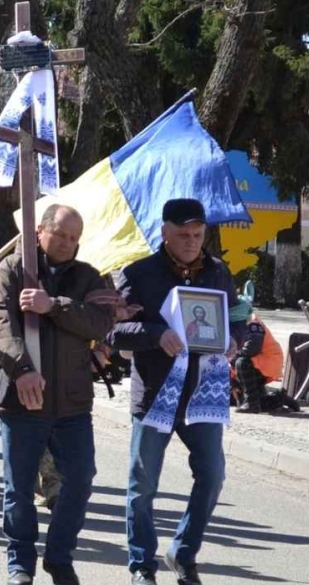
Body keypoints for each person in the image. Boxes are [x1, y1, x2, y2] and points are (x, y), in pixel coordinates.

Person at [107, 199, 246, 585]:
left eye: (198, 235)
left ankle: (183, 552)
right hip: (155, 396)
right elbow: (113, 331)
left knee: (213, 475)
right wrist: (156, 334)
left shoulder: (218, 272)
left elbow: (239, 319)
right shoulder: (139, 273)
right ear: (164, 232)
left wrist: (234, 340)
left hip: (202, 396)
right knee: (143, 484)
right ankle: (141, 566)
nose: (191, 241)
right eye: (183, 234)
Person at [0, 204, 114, 585]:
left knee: (80, 478)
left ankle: (59, 557)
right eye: (60, 234)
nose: (67, 243)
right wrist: (22, 369)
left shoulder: (89, 276)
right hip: (21, 399)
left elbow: (99, 321)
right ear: (40, 230)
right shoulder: (11, 270)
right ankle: (20, 564)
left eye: (74, 237)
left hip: (72, 402)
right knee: (19, 487)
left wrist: (52, 306)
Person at [231, 298, 290, 414]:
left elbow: (251, 350)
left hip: (267, 362)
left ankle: (251, 403)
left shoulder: (254, 325)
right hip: (258, 362)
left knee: (241, 363)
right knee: (258, 402)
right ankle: (279, 399)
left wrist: (231, 359)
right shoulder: (240, 325)